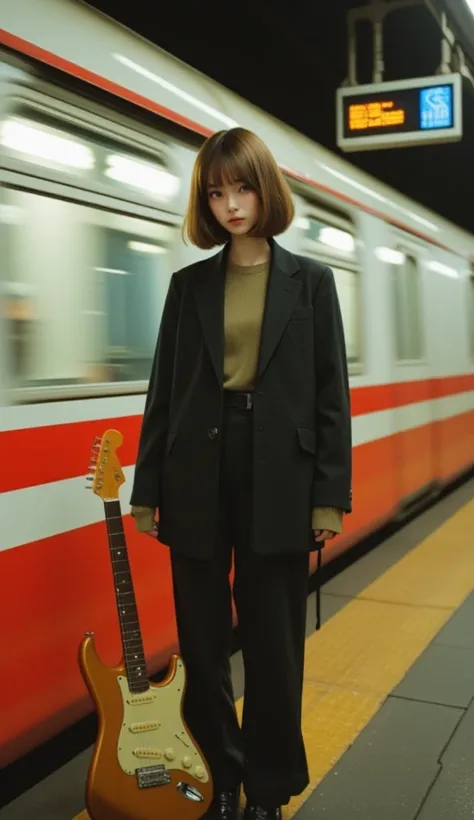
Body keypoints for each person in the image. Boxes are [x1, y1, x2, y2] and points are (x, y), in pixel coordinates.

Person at [129, 127, 352, 820]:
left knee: (273, 645)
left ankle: (268, 788)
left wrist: (328, 499)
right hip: (196, 471)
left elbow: (330, 398)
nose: (230, 204)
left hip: (280, 477)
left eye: (243, 187)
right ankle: (221, 780)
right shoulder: (188, 285)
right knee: (200, 645)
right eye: (216, 192)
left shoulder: (310, 282)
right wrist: (146, 486)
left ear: (266, 190)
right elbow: (164, 391)